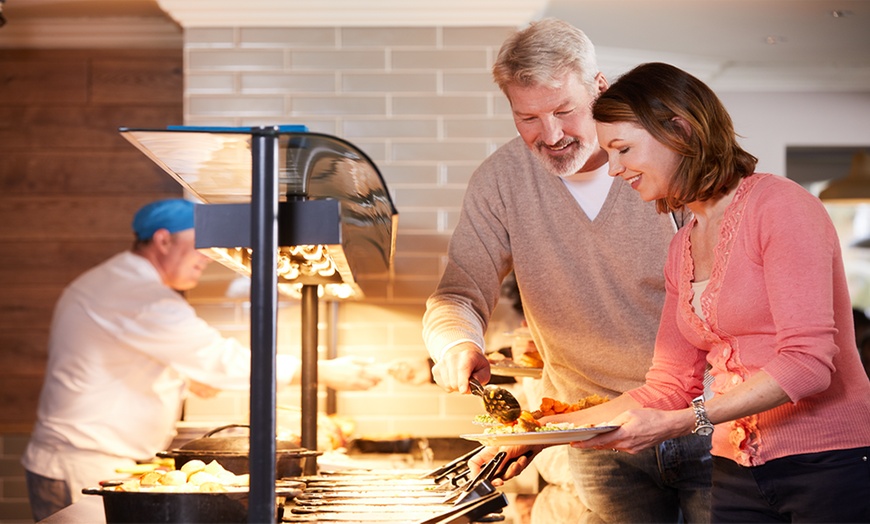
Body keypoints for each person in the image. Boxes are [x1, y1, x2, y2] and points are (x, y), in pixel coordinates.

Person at [422, 18, 711, 523]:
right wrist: (456, 344)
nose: (550, 135)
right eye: (527, 116)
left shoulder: (665, 162)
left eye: (564, 110)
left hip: (698, 417)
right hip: (589, 429)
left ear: (600, 86)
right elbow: (459, 292)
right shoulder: (500, 181)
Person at [553, 61, 870, 522]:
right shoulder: (683, 243)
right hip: (734, 469)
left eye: (622, 149)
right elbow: (670, 384)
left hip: (826, 464)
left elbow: (808, 362)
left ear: (679, 130)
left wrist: (686, 422)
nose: (615, 168)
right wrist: (541, 432)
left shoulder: (781, 207)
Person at [21, 198, 386, 521]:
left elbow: (127, 357)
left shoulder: (125, 284)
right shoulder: (136, 292)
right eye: (199, 245)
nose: (206, 258)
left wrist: (183, 378)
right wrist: (322, 371)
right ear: (163, 240)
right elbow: (219, 359)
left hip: (97, 455)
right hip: (82, 463)